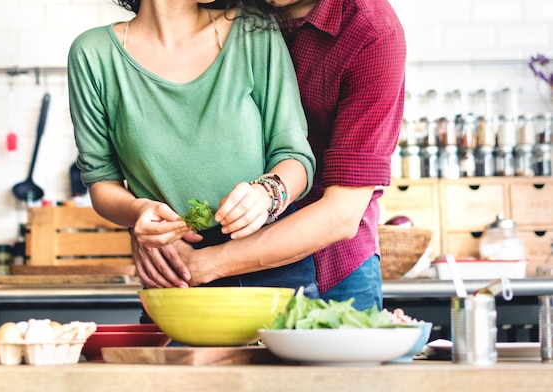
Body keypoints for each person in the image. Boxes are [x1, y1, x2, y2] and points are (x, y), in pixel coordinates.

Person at [132, 0, 406, 311]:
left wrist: (198, 265)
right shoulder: (221, 6)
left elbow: (341, 215)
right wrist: (146, 227)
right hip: (204, 252)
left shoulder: (372, 31)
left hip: (331, 266)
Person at [67, 0, 319, 297]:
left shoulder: (253, 28)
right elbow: (101, 183)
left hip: (273, 268)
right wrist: (139, 212)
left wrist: (266, 193)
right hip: (176, 274)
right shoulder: (92, 54)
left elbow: (295, 156)